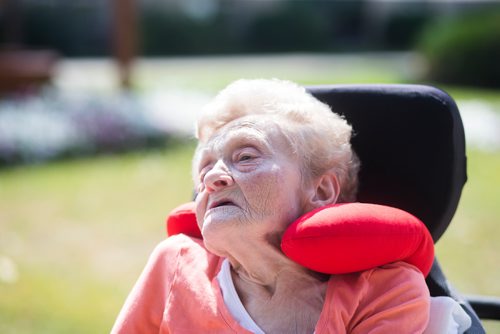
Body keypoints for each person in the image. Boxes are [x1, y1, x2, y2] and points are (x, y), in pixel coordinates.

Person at [111, 79, 430, 333]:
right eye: (206, 168)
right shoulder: (174, 261)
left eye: (246, 157)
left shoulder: (385, 291)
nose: (213, 179)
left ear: (319, 189)